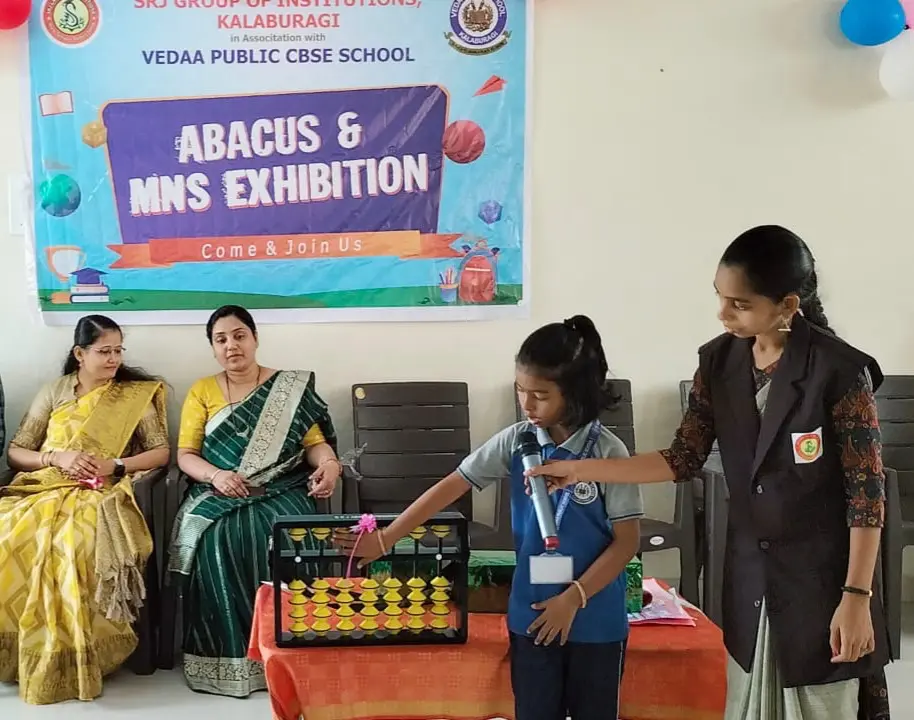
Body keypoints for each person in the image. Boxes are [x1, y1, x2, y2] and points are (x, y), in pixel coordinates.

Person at [525, 226, 891, 720]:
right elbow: (682, 458)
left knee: (821, 702)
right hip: (748, 577)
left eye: (739, 304)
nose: (723, 314)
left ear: (786, 304)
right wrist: (578, 468)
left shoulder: (840, 371)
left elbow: (866, 497)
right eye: (720, 297)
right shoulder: (718, 362)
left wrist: (856, 597)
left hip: (822, 584)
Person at [334, 316, 643, 720]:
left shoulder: (608, 452)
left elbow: (627, 541)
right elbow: (450, 486)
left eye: (540, 394)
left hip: (595, 619)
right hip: (532, 615)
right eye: (520, 390)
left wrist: (574, 599)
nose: (526, 404)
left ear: (576, 393)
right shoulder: (517, 441)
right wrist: (387, 537)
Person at [168, 305, 342, 697]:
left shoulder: (289, 388)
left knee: (288, 534)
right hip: (219, 491)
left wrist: (329, 464)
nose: (232, 346)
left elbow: (314, 443)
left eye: (239, 335)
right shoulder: (203, 390)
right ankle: (228, 660)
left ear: (255, 338)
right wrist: (217, 475)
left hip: (281, 488)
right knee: (219, 540)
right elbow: (186, 455)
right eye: (221, 339)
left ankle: (292, 656)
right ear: (213, 348)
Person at [0, 315, 169, 705]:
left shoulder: (133, 395)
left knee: (75, 543)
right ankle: (24, 653)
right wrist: (55, 457)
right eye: (104, 351)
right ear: (80, 353)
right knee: (11, 532)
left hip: (101, 492)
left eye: (118, 351)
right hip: (46, 486)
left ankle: (78, 654)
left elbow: (161, 450)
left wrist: (117, 465)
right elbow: (17, 449)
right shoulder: (55, 391)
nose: (113, 359)